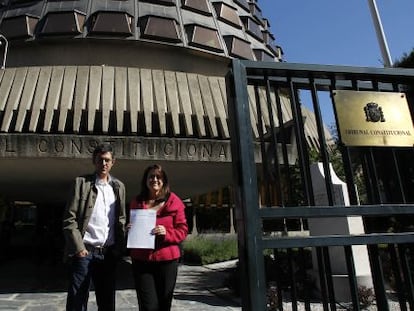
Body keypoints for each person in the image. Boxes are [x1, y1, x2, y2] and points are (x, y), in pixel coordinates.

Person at [63, 143, 126, 311]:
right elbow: (70, 219)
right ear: (94, 161)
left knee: (106, 301)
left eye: (107, 160)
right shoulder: (81, 183)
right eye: (100, 160)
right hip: (85, 252)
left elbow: (121, 218)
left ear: (113, 162)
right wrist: (79, 248)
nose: (104, 163)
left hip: (108, 253)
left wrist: (119, 248)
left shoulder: (119, 187)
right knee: (77, 301)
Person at [129, 164, 188, 311]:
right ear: (145, 180)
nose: (154, 179)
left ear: (164, 181)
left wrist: (167, 233)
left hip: (167, 262)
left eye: (158, 177)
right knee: (148, 306)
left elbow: (183, 230)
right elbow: (131, 227)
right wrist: (129, 229)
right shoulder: (136, 202)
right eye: (151, 176)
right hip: (142, 260)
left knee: (163, 304)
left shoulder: (174, 201)